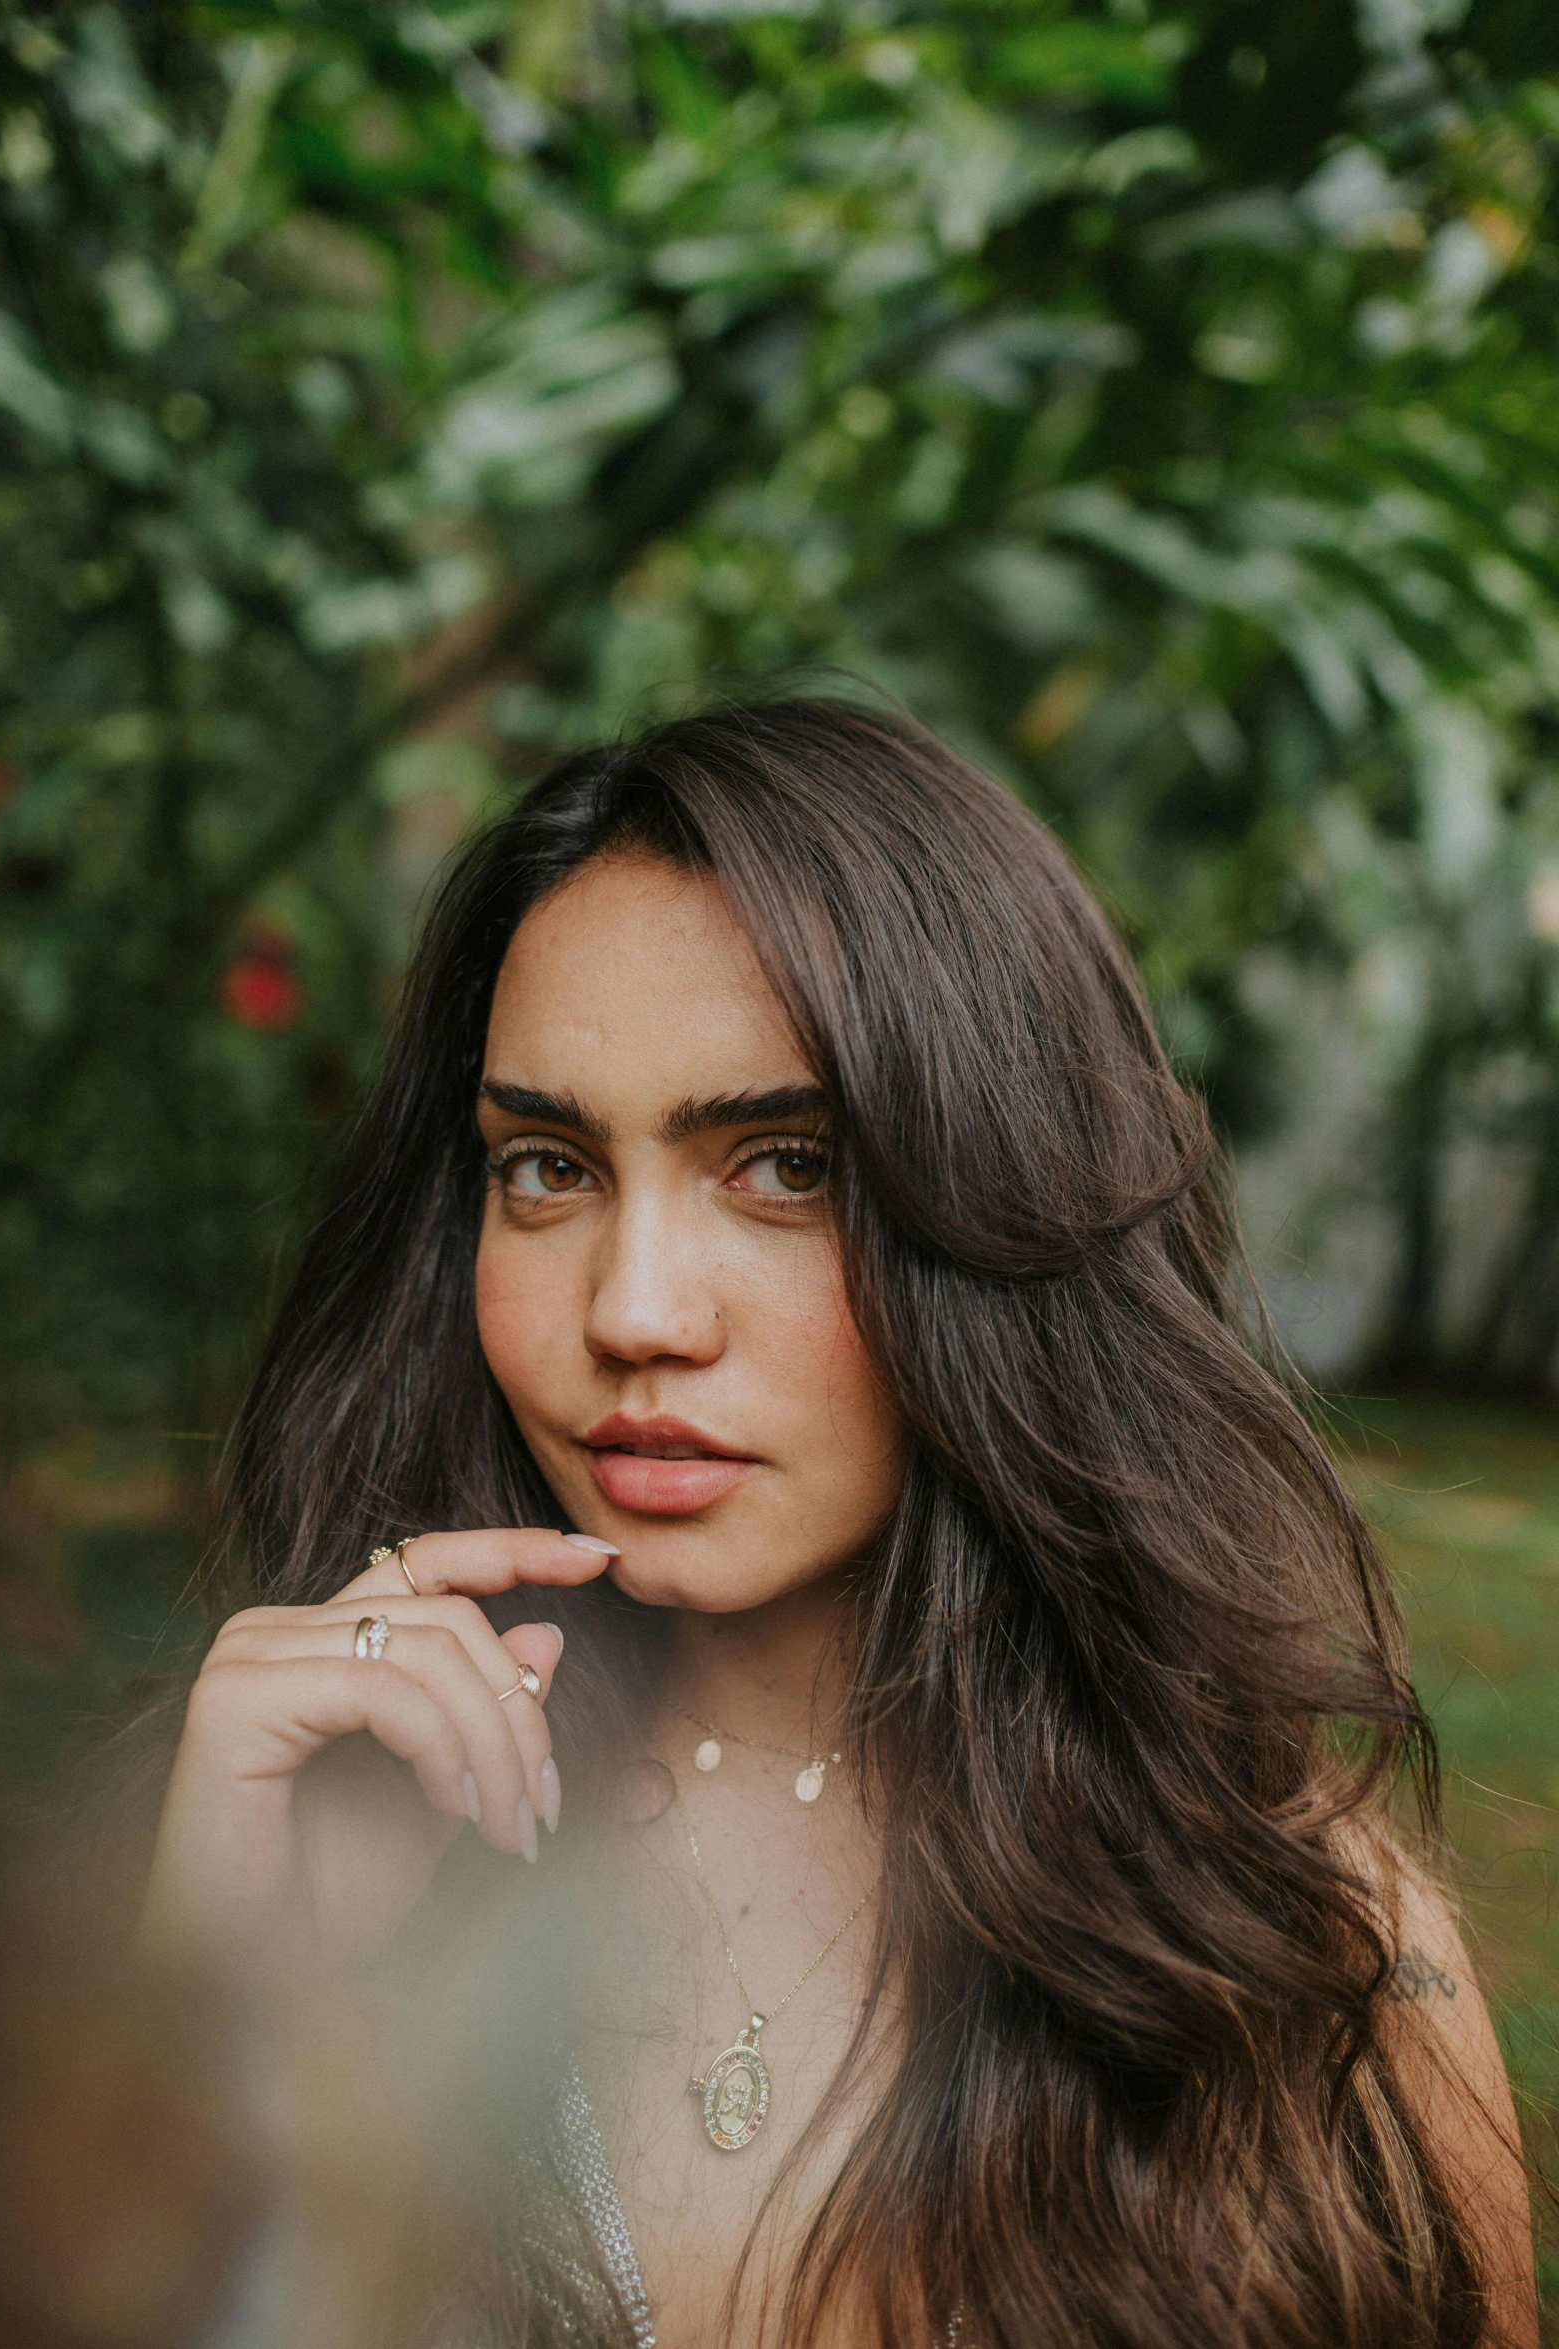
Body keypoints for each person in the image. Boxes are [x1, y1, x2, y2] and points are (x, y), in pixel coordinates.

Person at [139, 698, 1536, 2349]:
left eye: (786, 1166)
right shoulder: (324, 1833)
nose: (636, 1310)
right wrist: (205, 2009)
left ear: (993, 1196)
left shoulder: (1293, 1936)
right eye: (546, 1168)